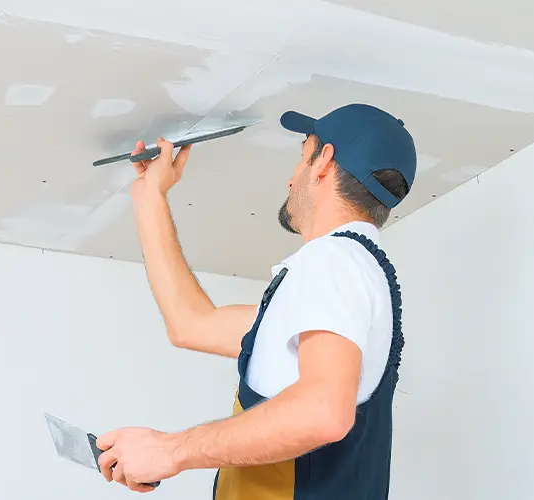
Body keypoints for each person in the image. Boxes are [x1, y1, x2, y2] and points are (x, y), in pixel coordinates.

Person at [93, 103, 417, 499]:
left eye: (301, 158)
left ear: (324, 162)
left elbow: (323, 412)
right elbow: (191, 323)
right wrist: (149, 197)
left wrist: (170, 451)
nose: (290, 180)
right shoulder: (347, 278)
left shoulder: (333, 261)